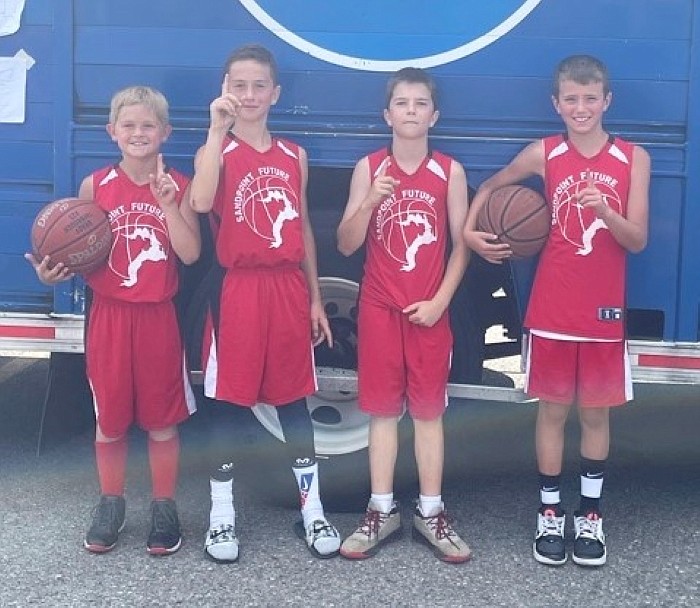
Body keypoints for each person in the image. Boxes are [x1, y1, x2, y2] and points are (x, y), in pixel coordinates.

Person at [463, 55, 650, 567]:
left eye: (591, 99)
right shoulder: (544, 153)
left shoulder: (633, 159)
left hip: (603, 313)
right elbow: (491, 187)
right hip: (550, 309)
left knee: (594, 414)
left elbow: (637, 240)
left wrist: (606, 211)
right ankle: (550, 512)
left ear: (606, 101)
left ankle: (590, 516)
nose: (581, 107)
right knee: (551, 412)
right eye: (572, 99)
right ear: (557, 104)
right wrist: (469, 234)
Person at [26, 86, 201, 555]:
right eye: (130, 126)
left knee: (162, 421)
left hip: (157, 317)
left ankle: (164, 506)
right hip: (108, 317)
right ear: (112, 132)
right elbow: (79, 253)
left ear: (165, 132)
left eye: (148, 126)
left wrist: (166, 204)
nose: (139, 133)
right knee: (111, 419)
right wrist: (52, 270)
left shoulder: (179, 185)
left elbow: (190, 252)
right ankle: (112, 503)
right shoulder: (95, 187)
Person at [188, 44, 340, 563]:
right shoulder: (217, 150)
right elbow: (202, 202)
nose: (249, 95)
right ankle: (221, 519)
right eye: (239, 85)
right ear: (225, 88)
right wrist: (214, 129)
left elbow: (303, 233)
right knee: (229, 404)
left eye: (258, 86)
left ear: (275, 94)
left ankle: (312, 510)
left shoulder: (294, 154)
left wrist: (317, 298)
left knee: (293, 400)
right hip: (239, 288)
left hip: (287, 289)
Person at [336, 67, 471, 563]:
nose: (411, 111)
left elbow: (462, 248)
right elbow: (347, 243)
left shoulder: (449, 172)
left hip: (429, 311)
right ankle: (381, 508)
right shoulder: (369, 167)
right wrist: (371, 200)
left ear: (434, 115)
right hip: (379, 307)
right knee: (382, 411)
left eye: (420, 104)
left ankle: (431, 510)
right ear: (386, 114)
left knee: (430, 412)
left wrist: (440, 301)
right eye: (402, 103)